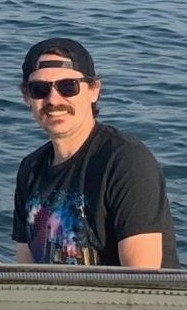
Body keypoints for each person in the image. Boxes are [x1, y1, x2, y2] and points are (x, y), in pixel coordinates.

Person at [13, 37, 180, 268]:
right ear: (26, 97)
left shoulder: (126, 162)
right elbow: (26, 270)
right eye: (39, 89)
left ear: (94, 91)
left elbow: (143, 283)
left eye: (68, 86)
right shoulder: (31, 168)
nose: (53, 100)